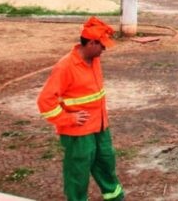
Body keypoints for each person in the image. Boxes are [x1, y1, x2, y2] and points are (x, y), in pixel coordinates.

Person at [37, 17, 124, 201]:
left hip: (100, 127)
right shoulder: (66, 67)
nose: (104, 49)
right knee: (78, 172)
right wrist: (69, 119)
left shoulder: (94, 59)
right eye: (102, 45)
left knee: (106, 164)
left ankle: (115, 198)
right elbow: (45, 101)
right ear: (91, 43)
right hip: (78, 132)